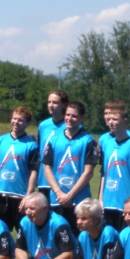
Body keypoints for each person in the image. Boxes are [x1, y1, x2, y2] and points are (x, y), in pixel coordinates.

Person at [42, 101, 100, 235]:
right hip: (57, 199)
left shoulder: (88, 141)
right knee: (57, 237)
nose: (69, 118)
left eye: (74, 116)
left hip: (79, 201)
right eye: (67, 115)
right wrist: (59, 193)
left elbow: (88, 172)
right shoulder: (54, 140)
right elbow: (47, 168)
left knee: (80, 238)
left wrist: (70, 195)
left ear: (82, 118)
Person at [0, 106, 39, 231]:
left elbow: (33, 172)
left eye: (20, 120)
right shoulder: (1, 141)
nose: (16, 122)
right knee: (0, 234)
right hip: (1, 196)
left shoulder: (32, 145)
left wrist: (28, 196)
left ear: (27, 123)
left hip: (20, 198)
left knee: (24, 235)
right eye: (14, 118)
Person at [98, 100, 130, 231]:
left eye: (115, 119)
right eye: (109, 119)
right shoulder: (107, 143)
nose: (111, 122)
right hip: (108, 203)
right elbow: (103, 174)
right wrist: (100, 199)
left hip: (124, 203)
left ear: (125, 121)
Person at [36, 90, 69, 204]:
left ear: (64, 104)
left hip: (62, 180)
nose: (51, 105)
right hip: (43, 180)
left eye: (55, 102)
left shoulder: (70, 125)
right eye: (49, 102)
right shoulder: (43, 125)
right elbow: (40, 151)